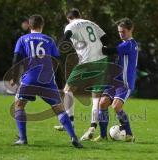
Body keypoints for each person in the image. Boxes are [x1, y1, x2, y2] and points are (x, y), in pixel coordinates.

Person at [10, 14, 83, 148]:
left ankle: (22, 138)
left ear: (29, 26)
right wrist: (60, 85)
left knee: (19, 105)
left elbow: (16, 59)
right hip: (47, 80)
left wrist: (14, 78)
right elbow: (57, 63)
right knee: (60, 110)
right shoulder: (49, 40)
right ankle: (74, 137)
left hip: (30, 79)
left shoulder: (23, 39)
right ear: (42, 26)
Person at [53, 8, 110, 141]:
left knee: (68, 90)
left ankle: (70, 121)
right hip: (102, 60)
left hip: (86, 61)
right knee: (96, 96)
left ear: (69, 18)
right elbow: (106, 40)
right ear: (80, 15)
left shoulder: (71, 25)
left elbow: (66, 37)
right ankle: (92, 126)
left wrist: (57, 49)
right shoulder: (92, 23)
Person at [93, 18, 137, 142]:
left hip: (125, 82)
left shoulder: (130, 44)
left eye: (123, 32)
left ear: (130, 30)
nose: (121, 34)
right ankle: (102, 136)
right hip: (114, 81)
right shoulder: (123, 44)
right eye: (119, 32)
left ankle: (129, 134)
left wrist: (96, 45)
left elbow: (108, 51)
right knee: (102, 103)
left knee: (116, 106)